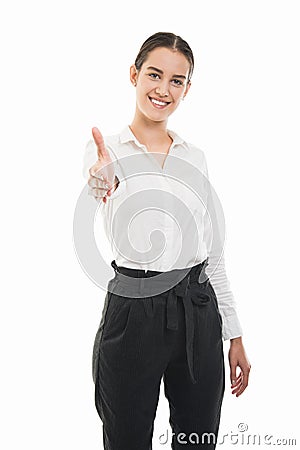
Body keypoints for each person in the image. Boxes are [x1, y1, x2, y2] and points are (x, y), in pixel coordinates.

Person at [83, 32, 251, 450]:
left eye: (177, 80)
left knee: (198, 438)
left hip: (197, 306)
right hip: (134, 308)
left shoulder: (195, 156)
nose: (164, 89)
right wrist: (102, 179)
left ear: (187, 89)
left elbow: (213, 252)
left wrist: (235, 334)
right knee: (126, 437)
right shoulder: (106, 150)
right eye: (154, 75)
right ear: (134, 75)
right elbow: (101, 190)